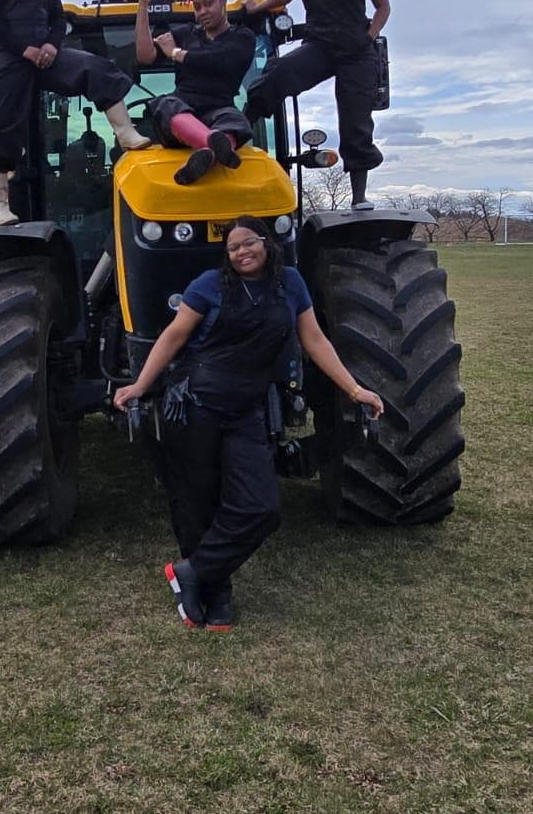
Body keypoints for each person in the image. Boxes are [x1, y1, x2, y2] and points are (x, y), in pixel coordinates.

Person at [112, 216, 384, 630]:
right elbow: (173, 337)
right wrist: (139, 385)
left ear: (266, 242)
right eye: (233, 247)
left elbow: (314, 340)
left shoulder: (290, 282)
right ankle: (214, 590)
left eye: (248, 242)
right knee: (196, 501)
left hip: (246, 410)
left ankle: (193, 572)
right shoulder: (208, 284)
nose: (242, 251)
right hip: (195, 405)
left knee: (262, 507)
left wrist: (354, 389)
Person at [0, 0, 150, 225]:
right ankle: (0, 205)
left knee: (97, 68)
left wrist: (52, 46)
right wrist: (23, 49)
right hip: (9, 57)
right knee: (5, 123)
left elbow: (58, 17)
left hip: (46, 55)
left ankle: (125, 133)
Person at [243, 0, 390, 208]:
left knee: (355, 120)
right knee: (280, 70)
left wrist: (369, 37)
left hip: (356, 53)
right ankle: (243, 124)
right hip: (320, 46)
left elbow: (383, 7)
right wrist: (256, 9)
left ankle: (359, 196)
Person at [133, 0, 256, 185]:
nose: (202, 12)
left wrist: (177, 53)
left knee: (236, 120)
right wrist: (142, 7)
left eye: (208, 4)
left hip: (219, 108)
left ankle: (208, 153)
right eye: (197, 7)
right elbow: (145, 55)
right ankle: (211, 144)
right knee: (167, 105)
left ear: (223, 0)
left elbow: (220, 60)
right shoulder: (187, 34)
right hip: (183, 111)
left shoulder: (243, 38)